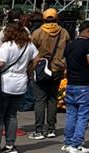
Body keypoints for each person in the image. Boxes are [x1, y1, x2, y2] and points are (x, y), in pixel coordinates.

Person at [0, 21, 38, 153]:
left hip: (5, 82)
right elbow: (37, 58)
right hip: (21, 83)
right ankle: (10, 145)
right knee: (11, 115)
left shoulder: (7, 46)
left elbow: (0, 63)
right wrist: (29, 70)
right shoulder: (29, 45)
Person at [62, 17, 89, 153]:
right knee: (83, 116)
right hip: (85, 85)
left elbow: (65, 64)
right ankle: (77, 144)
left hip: (71, 84)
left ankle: (68, 142)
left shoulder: (70, 45)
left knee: (71, 115)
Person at [28, 8, 71, 140]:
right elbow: (68, 50)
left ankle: (39, 130)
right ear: (57, 18)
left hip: (40, 69)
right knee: (52, 99)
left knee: (39, 100)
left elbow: (30, 50)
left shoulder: (37, 33)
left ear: (44, 19)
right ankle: (51, 128)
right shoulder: (64, 33)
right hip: (57, 69)